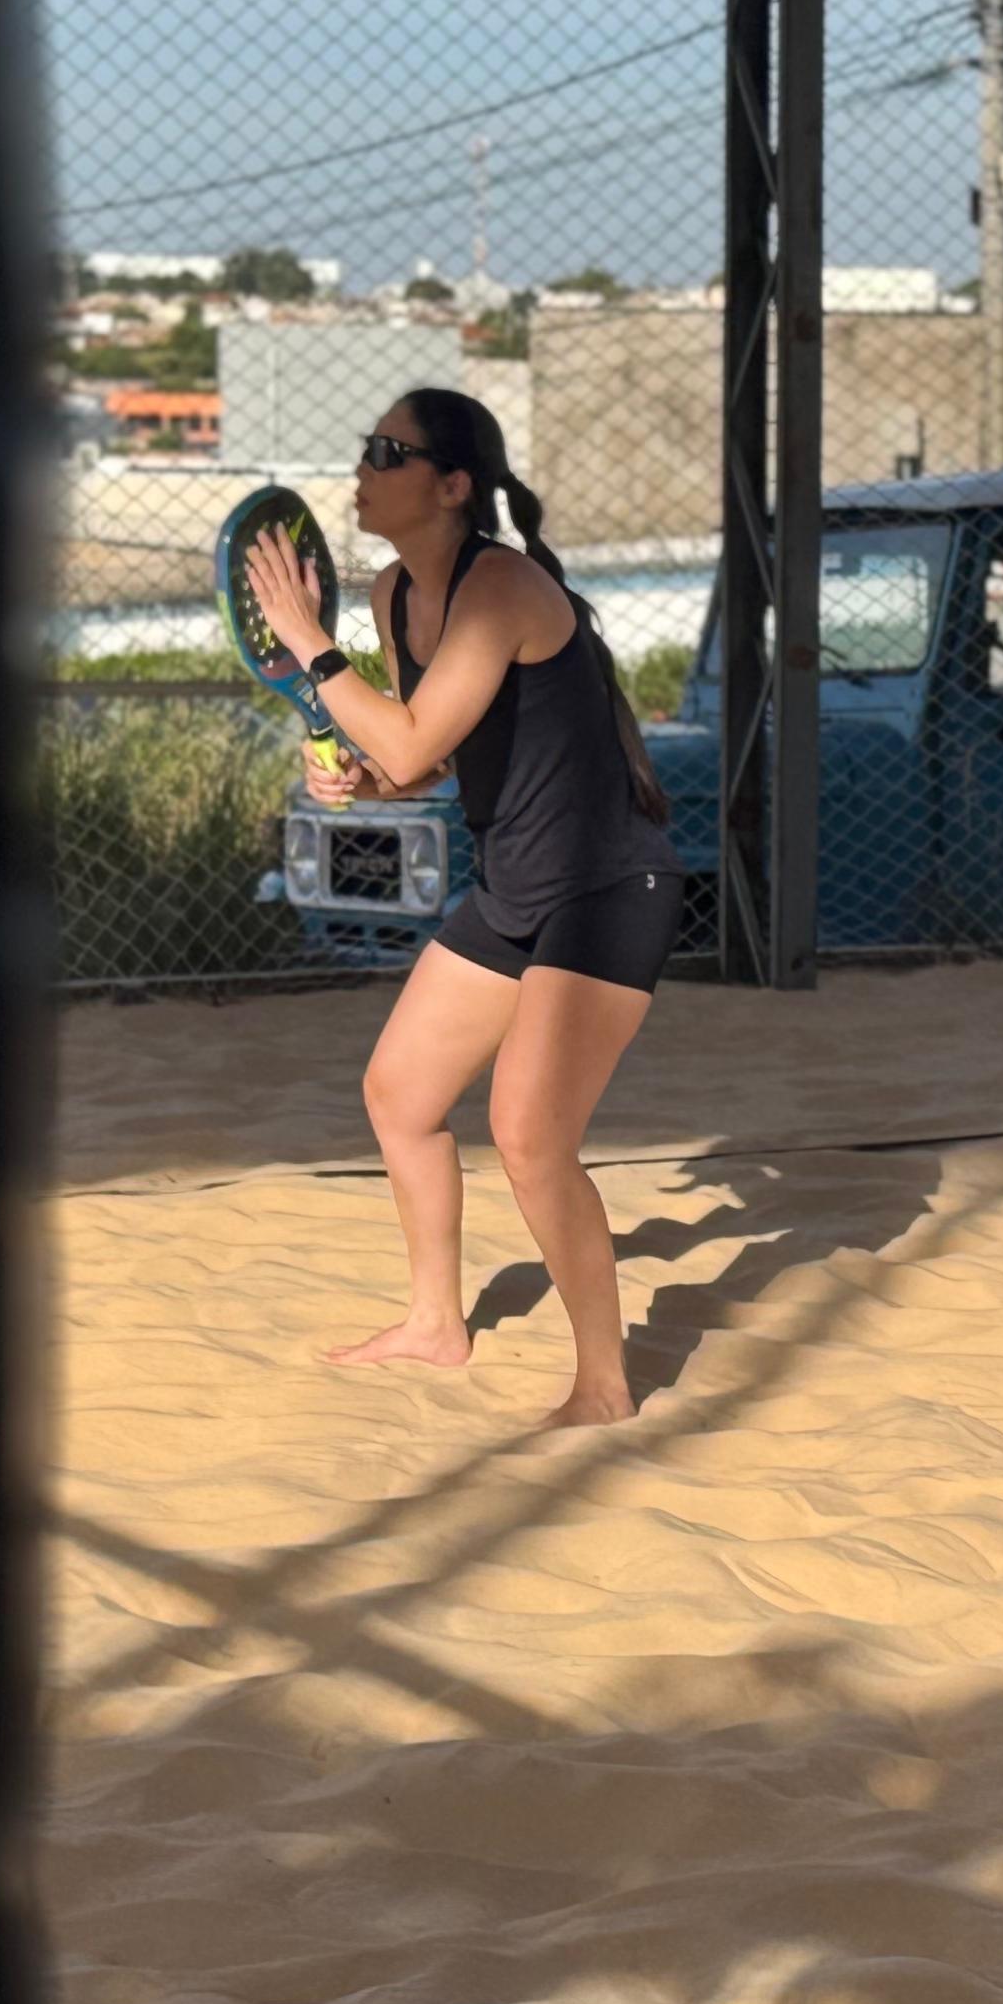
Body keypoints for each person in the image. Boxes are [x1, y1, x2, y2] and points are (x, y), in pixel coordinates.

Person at [241, 386, 679, 1428]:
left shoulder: (503, 590)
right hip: (519, 885)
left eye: (387, 450)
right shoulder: (395, 595)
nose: (364, 464)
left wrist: (309, 641)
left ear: (451, 485)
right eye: (365, 444)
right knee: (399, 1095)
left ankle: (605, 1387)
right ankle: (437, 1324)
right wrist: (360, 780)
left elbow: (402, 733)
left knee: (528, 1134)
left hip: (609, 890)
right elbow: (419, 757)